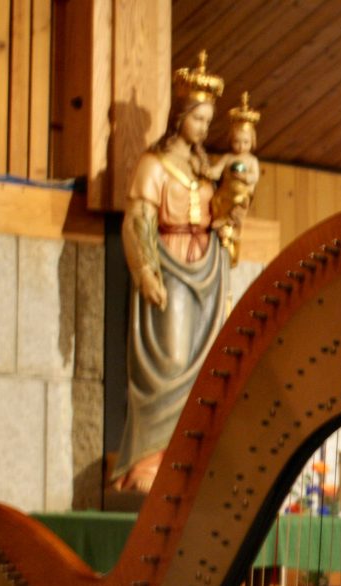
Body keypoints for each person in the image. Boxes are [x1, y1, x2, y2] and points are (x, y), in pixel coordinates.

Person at [112, 53, 244, 493]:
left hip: (206, 268)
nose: (205, 128)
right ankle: (149, 464)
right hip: (169, 264)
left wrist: (230, 213)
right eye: (199, 119)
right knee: (168, 363)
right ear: (181, 116)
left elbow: (217, 213)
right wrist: (145, 269)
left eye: (210, 121)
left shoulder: (203, 168)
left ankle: (188, 458)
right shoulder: (153, 165)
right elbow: (137, 220)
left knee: (202, 366)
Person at [210, 92, 261, 264]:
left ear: (252, 141)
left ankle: (231, 223)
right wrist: (208, 171)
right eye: (237, 142)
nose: (241, 146)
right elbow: (216, 171)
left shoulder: (251, 160)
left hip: (242, 192)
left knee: (240, 200)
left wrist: (244, 176)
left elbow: (254, 177)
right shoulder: (228, 158)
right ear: (231, 140)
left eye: (245, 142)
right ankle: (221, 219)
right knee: (215, 199)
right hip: (225, 191)